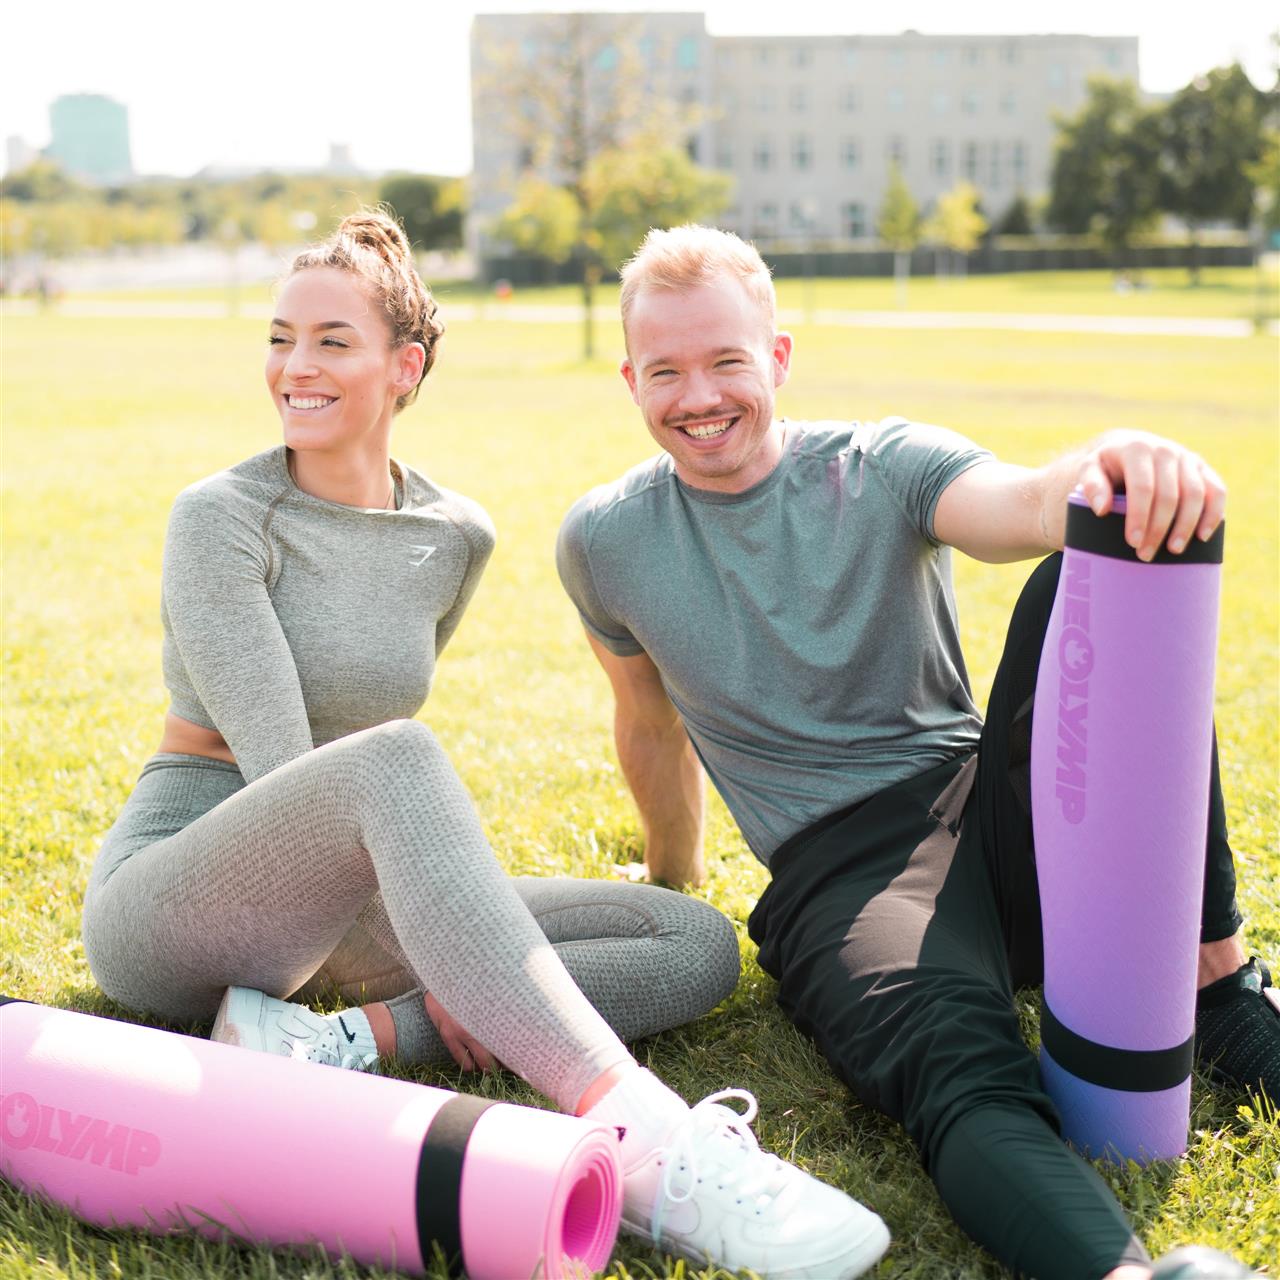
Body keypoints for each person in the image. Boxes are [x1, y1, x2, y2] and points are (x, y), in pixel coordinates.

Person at [79, 210, 892, 1280]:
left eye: (330, 339)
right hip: (181, 893)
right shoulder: (221, 516)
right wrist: (466, 945)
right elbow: (285, 774)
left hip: (340, 912)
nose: (293, 365)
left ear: (402, 363)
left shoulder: (453, 534)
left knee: (691, 939)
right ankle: (654, 1143)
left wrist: (463, 955)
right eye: (280, 336)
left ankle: (339, 1041)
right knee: (396, 758)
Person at [555, 224, 1278, 1280]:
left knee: (1089, 572)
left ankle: (1212, 978)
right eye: (665, 370)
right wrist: (671, 875)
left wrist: (1112, 465)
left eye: (724, 360)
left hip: (993, 802)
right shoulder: (603, 540)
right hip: (842, 875)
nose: (696, 395)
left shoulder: (879, 462)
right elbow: (647, 717)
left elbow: (1030, 500)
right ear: (629, 379)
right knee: (960, 1069)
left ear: (778, 356)